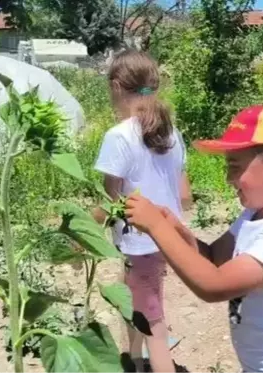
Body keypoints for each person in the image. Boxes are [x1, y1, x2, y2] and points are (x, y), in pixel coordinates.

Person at [124, 105, 263, 373]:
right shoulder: (254, 215)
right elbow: (213, 258)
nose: (228, 178)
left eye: (235, 167)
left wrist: (155, 226)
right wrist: (173, 229)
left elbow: (214, 286)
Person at [91, 49, 191, 373]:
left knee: (155, 327)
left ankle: (149, 363)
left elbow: (112, 197)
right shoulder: (171, 133)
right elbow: (185, 196)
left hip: (138, 244)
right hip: (166, 240)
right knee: (137, 304)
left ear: (117, 87)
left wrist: (80, 233)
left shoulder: (119, 136)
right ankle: (134, 362)